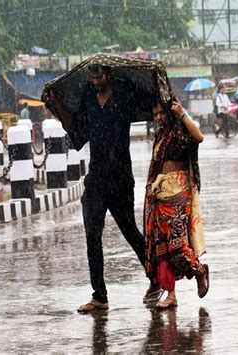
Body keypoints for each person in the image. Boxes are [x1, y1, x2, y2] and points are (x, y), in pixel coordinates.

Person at [48, 63, 162, 312]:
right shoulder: (88, 97)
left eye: (99, 76)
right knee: (92, 236)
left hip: (120, 177)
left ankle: (156, 278)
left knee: (130, 231)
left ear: (109, 75)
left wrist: (160, 92)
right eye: (92, 77)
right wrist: (57, 104)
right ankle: (99, 295)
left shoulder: (125, 93)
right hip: (96, 178)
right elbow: (78, 131)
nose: (95, 81)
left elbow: (151, 101)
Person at [144, 96, 209, 309]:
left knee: (178, 247)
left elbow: (199, 137)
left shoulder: (181, 132)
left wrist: (182, 113)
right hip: (160, 197)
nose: (159, 117)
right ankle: (171, 295)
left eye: (162, 113)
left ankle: (199, 271)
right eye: (155, 114)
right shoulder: (160, 137)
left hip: (179, 195)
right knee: (161, 249)